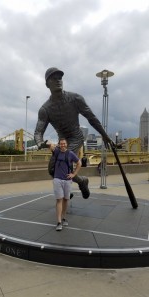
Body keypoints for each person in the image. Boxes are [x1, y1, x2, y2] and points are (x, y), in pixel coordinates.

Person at [34, 67, 112, 199]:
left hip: (76, 137)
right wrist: (42, 143)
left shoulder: (75, 98)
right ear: (47, 84)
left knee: (64, 162)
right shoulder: (45, 109)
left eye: (60, 78)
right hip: (63, 141)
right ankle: (82, 181)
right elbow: (38, 132)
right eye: (54, 78)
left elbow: (91, 118)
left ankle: (67, 188)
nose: (58, 80)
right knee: (52, 169)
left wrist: (104, 135)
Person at [48, 138, 81, 231]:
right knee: (59, 200)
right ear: (59, 144)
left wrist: (73, 174)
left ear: (67, 144)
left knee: (66, 200)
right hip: (57, 179)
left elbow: (79, 163)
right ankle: (58, 222)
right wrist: (55, 145)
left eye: (64, 143)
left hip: (67, 180)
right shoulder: (57, 151)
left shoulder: (70, 154)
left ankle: (63, 217)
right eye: (61, 144)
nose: (62, 145)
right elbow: (48, 143)